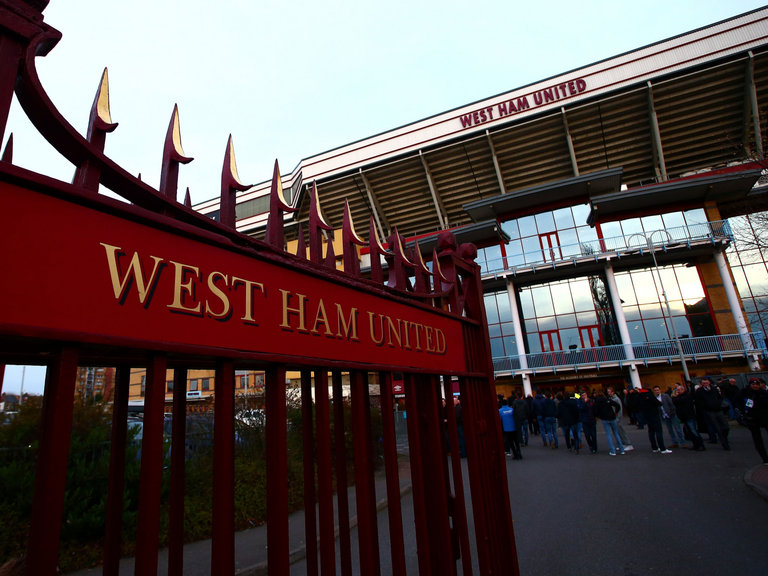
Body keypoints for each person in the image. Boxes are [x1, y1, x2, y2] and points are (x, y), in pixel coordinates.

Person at [735, 377, 768, 464]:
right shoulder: (744, 392)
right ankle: (765, 458)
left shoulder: (763, 392)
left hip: (764, 417)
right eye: (753, 384)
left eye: (757, 384)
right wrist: (744, 411)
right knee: (757, 439)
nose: (755, 386)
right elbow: (738, 402)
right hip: (752, 419)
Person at [694, 378, 731, 450]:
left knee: (726, 426)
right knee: (718, 428)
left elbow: (720, 397)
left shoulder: (714, 389)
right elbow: (698, 401)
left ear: (709, 382)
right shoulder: (699, 391)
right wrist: (706, 406)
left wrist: (718, 403)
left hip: (718, 409)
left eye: (706, 383)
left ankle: (724, 437)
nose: (705, 384)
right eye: (704, 383)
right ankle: (724, 443)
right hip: (709, 411)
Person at [671, 382, 705, 451]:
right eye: (677, 390)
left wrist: (675, 397)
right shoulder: (680, 396)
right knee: (689, 432)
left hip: (689, 416)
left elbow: (677, 401)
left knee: (693, 431)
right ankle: (695, 445)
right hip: (683, 417)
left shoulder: (687, 396)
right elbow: (675, 402)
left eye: (679, 390)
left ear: (683, 390)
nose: (677, 391)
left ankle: (700, 445)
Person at [636, 386, 671, 454]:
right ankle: (662, 448)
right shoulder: (650, 395)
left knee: (651, 432)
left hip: (647, 416)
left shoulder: (640, 397)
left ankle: (654, 447)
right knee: (658, 431)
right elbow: (658, 403)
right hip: (654, 415)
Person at [594, 391, 625, 455]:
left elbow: (595, 411)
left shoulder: (597, 402)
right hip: (612, 417)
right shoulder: (607, 400)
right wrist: (616, 412)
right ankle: (622, 449)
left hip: (604, 418)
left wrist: (598, 416)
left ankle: (612, 451)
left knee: (608, 435)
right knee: (616, 433)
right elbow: (617, 405)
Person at [607, 387, 634, 451]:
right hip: (612, 418)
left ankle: (628, 444)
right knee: (617, 432)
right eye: (608, 392)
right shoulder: (610, 399)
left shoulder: (616, 399)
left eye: (609, 392)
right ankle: (622, 444)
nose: (608, 393)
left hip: (616, 418)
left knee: (621, 431)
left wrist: (618, 418)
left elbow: (619, 409)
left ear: (613, 392)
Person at [577, 390, 598, 454]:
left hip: (591, 419)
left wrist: (596, 416)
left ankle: (594, 447)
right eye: (583, 395)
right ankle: (590, 445)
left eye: (585, 395)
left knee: (593, 435)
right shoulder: (580, 402)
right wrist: (584, 403)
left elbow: (594, 409)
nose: (584, 396)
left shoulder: (591, 401)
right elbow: (580, 409)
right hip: (584, 420)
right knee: (587, 435)